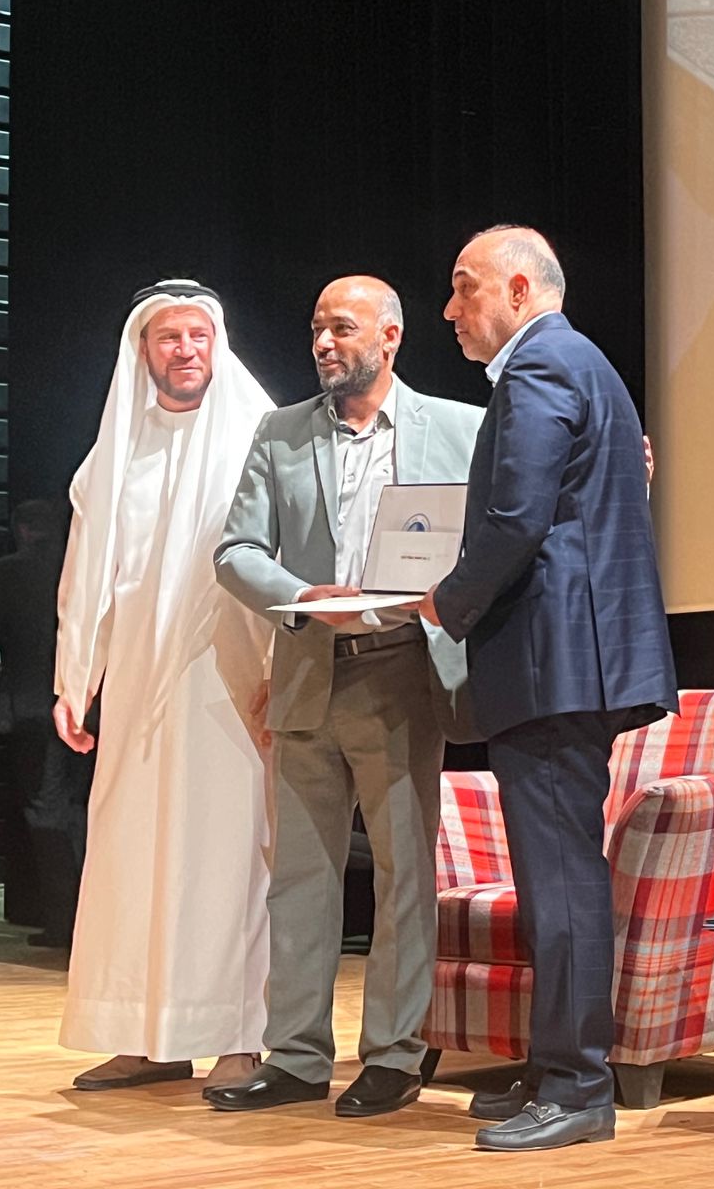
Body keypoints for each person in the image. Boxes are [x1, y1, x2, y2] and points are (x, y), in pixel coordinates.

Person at [419, 225, 678, 1152]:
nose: (451, 310)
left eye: (466, 289)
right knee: (552, 878)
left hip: (556, 665)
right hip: (569, 661)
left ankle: (577, 1087)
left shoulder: (539, 368)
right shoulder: (578, 364)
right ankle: (554, 1067)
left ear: (520, 290)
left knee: (563, 880)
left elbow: (515, 518)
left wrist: (446, 601)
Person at [211, 276, 482, 1118]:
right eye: (316, 328)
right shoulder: (281, 431)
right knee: (299, 876)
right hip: (307, 668)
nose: (324, 343)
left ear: (390, 337)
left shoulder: (462, 428)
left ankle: (395, 1055)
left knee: (404, 874)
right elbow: (236, 550)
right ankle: (296, 1056)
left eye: (343, 327)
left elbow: (509, 527)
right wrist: (301, 594)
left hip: (402, 672)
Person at [54, 280, 274, 1093]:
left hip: (230, 683)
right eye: (168, 338)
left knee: (227, 860)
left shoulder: (258, 435)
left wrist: (280, 680)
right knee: (133, 858)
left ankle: (241, 1036)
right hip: (139, 690)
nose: (185, 350)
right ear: (142, 351)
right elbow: (87, 577)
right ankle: (147, 1035)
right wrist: (76, 679)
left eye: (197, 335)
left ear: (218, 344)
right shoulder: (118, 451)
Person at [0, 498, 93, 948]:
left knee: (45, 813)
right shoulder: (84, 568)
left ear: (20, 529)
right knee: (78, 810)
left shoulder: (5, 573)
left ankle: (65, 925)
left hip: (30, 710)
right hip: (86, 707)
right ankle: (87, 922)